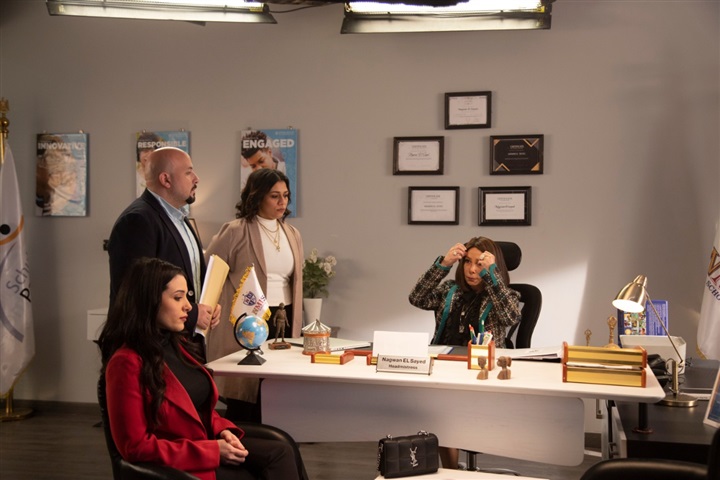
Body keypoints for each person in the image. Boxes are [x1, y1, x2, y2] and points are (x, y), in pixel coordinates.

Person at [98, 257, 302, 480]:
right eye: (178, 297)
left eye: (187, 296)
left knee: (282, 451)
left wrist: (223, 430)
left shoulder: (178, 344)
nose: (188, 305)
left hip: (206, 439)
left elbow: (199, 408)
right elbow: (135, 447)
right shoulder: (125, 363)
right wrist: (212, 451)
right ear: (149, 301)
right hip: (181, 465)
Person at [409, 236, 521, 469]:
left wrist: (492, 275)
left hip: (481, 373)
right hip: (444, 368)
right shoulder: (450, 291)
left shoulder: (502, 295)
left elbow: (511, 316)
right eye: (467, 262)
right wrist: (443, 264)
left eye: (479, 264)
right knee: (440, 409)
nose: (471, 270)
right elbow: (417, 297)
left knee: (447, 410)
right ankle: (451, 470)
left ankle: (451, 470)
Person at [205, 168, 303, 422]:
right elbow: (210, 270)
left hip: (284, 315)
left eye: (285, 195)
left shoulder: (292, 233)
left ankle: (274, 438)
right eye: (274, 196)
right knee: (247, 391)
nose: (282, 202)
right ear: (257, 196)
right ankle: (239, 438)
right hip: (249, 319)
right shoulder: (235, 230)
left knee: (277, 387)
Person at [107, 146, 220, 345]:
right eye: (188, 172)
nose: (196, 179)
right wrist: (193, 313)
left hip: (185, 343)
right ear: (166, 180)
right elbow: (138, 292)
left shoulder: (180, 218)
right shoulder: (137, 221)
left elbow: (191, 278)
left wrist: (207, 306)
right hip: (153, 347)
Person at [135, 131, 164, 197]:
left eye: (153, 151)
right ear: (138, 153)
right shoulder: (136, 177)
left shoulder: (163, 176)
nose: (149, 155)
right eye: (146, 151)